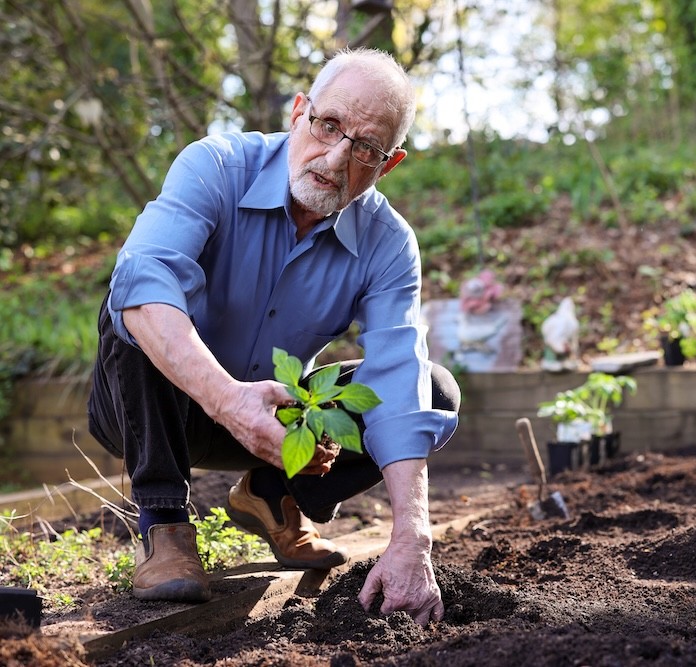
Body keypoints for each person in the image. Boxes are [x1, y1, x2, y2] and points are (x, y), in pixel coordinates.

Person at [86, 47, 460, 627]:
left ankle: (271, 492)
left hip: (269, 424)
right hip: (154, 409)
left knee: (432, 390)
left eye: (364, 148)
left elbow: (398, 380)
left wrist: (414, 537)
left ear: (387, 165)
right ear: (298, 112)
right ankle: (163, 524)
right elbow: (145, 277)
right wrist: (226, 398)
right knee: (138, 299)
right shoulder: (215, 165)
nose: (336, 159)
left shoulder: (388, 243)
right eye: (329, 125)